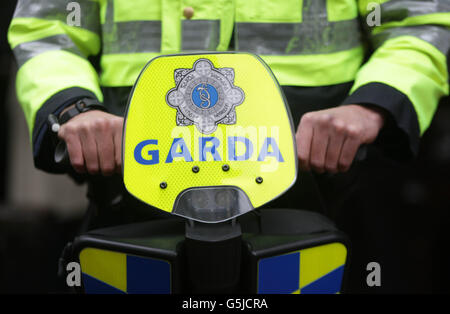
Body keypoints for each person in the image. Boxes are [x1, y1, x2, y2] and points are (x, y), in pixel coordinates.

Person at [8, 0, 450, 292]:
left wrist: (373, 104)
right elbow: (47, 30)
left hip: (319, 183)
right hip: (137, 189)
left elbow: (419, 23)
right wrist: (74, 108)